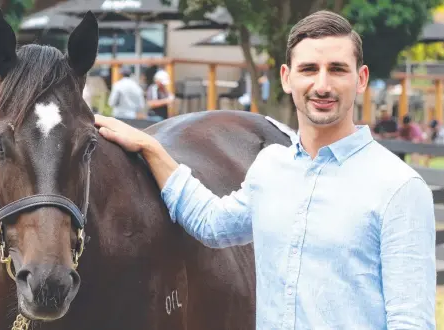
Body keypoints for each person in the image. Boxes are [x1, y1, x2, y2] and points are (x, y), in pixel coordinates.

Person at [94, 10, 435, 329]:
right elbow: (212, 224)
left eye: (337, 69)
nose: (322, 85)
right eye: (308, 69)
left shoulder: (399, 187)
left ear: (361, 79)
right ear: (287, 78)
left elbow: (412, 321)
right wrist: (152, 148)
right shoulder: (272, 167)